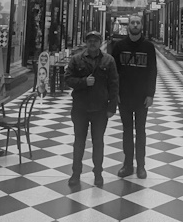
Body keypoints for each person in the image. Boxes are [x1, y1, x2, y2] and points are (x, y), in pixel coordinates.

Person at [64, 30, 119, 187]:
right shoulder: (76, 59)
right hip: (80, 108)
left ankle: (98, 173)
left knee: (98, 142)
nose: (92, 43)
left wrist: (112, 107)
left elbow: (114, 85)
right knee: (79, 141)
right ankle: (76, 173)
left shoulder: (108, 61)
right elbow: (67, 78)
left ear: (100, 42)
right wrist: (83, 82)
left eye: (95, 40)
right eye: (90, 40)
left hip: (100, 109)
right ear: (86, 42)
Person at [112, 14, 158, 179]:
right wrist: (115, 92)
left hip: (141, 97)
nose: (136, 25)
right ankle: (127, 164)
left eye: (138, 22)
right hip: (124, 96)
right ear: (128, 25)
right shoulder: (118, 46)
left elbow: (152, 71)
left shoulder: (148, 47)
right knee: (126, 131)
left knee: (141, 132)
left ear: (141, 25)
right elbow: (113, 71)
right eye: (133, 22)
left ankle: (141, 166)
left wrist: (150, 94)